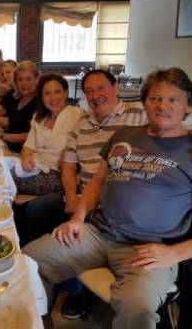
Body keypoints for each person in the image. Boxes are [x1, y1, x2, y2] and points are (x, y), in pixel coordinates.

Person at [24, 67, 192, 329]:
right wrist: (78, 218)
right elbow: (98, 181)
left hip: (148, 248)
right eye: (155, 98)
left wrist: (175, 253)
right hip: (97, 232)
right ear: (144, 102)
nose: (162, 106)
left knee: (135, 305)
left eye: (173, 99)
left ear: (188, 106)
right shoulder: (125, 135)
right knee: (27, 264)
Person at [18, 69, 148, 318]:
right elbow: (68, 165)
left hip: (117, 203)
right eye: (89, 90)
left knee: (65, 223)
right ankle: (49, 278)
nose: (95, 95)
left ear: (117, 88)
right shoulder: (84, 124)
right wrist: (73, 196)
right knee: (37, 210)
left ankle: (76, 291)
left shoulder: (138, 117)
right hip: (83, 194)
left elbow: (175, 126)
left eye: (101, 88)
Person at [11, 74, 83, 196]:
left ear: (65, 93)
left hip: (59, 174)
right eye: (47, 93)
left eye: (57, 92)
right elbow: (28, 147)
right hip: (34, 168)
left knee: (5, 178)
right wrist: (26, 158)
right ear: (42, 97)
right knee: (1, 171)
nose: (52, 98)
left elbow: (82, 150)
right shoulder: (39, 117)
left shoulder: (78, 116)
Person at [0, 60, 39, 152]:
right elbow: (13, 122)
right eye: (20, 79)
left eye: (28, 79)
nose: (24, 83)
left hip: (23, 155)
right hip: (8, 147)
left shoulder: (39, 102)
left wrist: (3, 135)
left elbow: (33, 136)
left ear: (36, 79)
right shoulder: (18, 97)